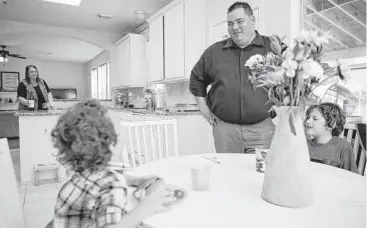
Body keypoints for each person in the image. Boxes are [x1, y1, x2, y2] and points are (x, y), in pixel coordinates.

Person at [50, 99, 175, 228]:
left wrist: (135, 180)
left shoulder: (78, 174)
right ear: (110, 144)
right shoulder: (113, 184)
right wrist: (144, 209)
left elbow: (97, 182)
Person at [189, 2, 286, 153]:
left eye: (240, 21)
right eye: (230, 23)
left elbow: (294, 75)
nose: (234, 27)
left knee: (260, 175)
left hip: (262, 131)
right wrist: (203, 107)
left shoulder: (273, 47)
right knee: (228, 174)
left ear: (252, 20)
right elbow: (196, 79)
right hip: (225, 131)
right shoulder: (214, 52)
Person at [304, 102, 358, 173]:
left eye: (315, 119)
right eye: (308, 117)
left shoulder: (344, 147)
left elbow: (351, 178)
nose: (307, 121)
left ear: (331, 125)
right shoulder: (304, 145)